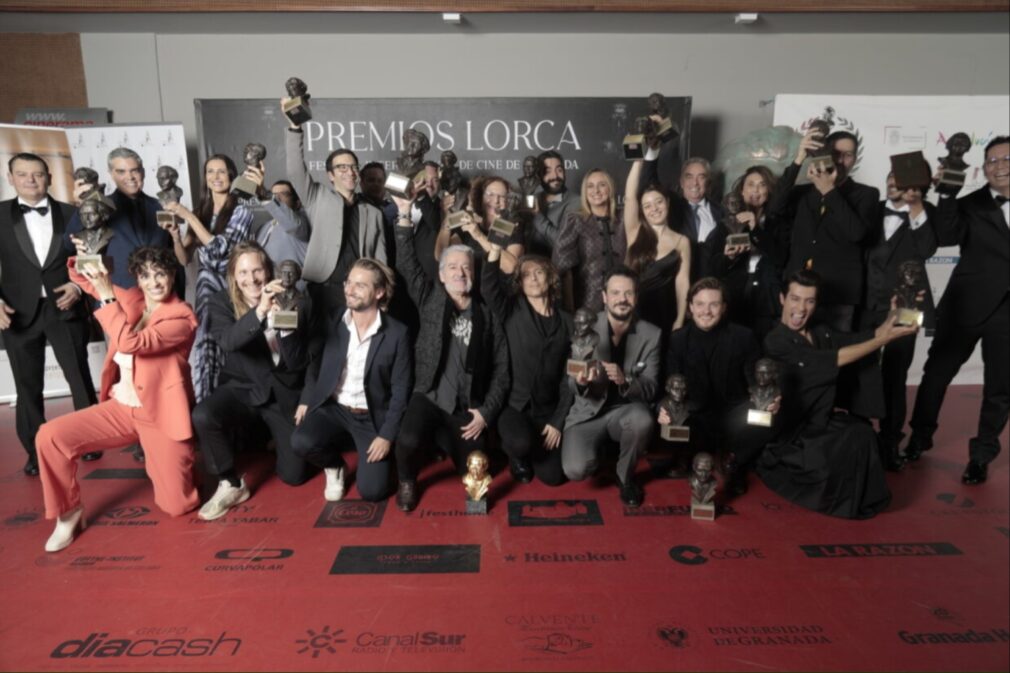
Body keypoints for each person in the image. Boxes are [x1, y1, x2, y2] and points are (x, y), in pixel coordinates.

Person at [35, 246, 200, 552]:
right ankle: (68, 514)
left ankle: (172, 461)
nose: (154, 282)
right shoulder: (134, 300)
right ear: (138, 278)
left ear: (172, 275)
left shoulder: (182, 316)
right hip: (121, 407)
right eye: (146, 275)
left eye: (161, 274)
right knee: (50, 436)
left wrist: (107, 296)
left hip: (159, 417)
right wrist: (88, 253)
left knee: (177, 504)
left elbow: (130, 342)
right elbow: (80, 276)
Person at [758, 269, 917, 519]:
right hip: (792, 433)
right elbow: (832, 359)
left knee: (863, 434)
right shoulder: (775, 341)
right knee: (842, 448)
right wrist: (881, 340)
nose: (801, 308)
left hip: (822, 421)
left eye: (809, 301)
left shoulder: (821, 331)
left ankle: (858, 500)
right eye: (795, 299)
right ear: (782, 299)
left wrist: (889, 322)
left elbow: (856, 339)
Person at [907, 136, 1010, 485]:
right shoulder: (970, 204)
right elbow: (947, 235)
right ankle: (918, 439)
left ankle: (981, 456)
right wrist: (947, 193)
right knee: (936, 374)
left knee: (1000, 388)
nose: (1000, 165)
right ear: (984, 169)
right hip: (965, 302)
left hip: (1008, 313)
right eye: (993, 160)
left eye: (1006, 158)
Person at [393, 207, 510, 512]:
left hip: (466, 407)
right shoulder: (430, 299)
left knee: (477, 464)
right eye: (453, 267)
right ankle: (406, 480)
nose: (460, 273)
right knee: (406, 439)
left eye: (467, 268)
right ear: (442, 274)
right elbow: (406, 263)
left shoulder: (488, 315)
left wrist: (486, 412)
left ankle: (448, 442)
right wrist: (404, 216)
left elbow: (501, 370)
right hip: (428, 397)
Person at [191, 242, 313, 520]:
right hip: (242, 388)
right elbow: (229, 342)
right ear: (233, 275)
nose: (252, 279)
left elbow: (306, 354)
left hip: (282, 393)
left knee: (295, 475)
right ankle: (229, 482)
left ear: (268, 270)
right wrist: (259, 311)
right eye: (243, 272)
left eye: (257, 270)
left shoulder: (294, 298)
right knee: (203, 414)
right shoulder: (220, 301)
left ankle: (269, 438)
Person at [1, 153, 99, 475]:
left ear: (49, 177)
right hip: (17, 311)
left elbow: (94, 256)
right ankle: (36, 450)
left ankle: (88, 440)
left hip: (64, 306)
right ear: (10, 177)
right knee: (27, 386)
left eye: (38, 174)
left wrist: (79, 287)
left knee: (79, 378)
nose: (31, 180)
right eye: (23, 174)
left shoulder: (74, 214)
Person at [290, 258, 412, 503]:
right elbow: (313, 362)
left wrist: (387, 435)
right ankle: (335, 466)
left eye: (360, 285)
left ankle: (372, 457)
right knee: (300, 441)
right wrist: (307, 398)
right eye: (349, 282)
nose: (350, 289)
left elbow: (402, 389)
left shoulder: (398, 333)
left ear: (379, 292)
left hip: (371, 416)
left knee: (373, 492)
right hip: (334, 407)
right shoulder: (333, 321)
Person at [659, 278, 772, 494]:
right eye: (700, 304)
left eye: (714, 304)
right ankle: (685, 456)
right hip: (695, 413)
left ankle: (733, 461)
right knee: (669, 411)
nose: (706, 311)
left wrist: (767, 401)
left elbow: (755, 382)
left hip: (732, 412)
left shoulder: (744, 336)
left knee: (766, 414)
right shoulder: (678, 340)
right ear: (690, 307)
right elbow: (670, 384)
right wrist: (665, 411)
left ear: (724, 307)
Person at [161, 154, 259, 403]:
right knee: (206, 348)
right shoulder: (201, 211)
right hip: (206, 288)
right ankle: (206, 405)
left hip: (232, 288)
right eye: (210, 172)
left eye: (221, 171)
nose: (215, 177)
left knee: (234, 346)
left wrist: (188, 216)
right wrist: (175, 235)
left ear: (232, 175)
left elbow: (220, 249)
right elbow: (184, 259)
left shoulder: (242, 210)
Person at [561, 267, 659, 507]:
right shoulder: (584, 329)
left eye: (628, 293)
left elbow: (651, 387)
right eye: (615, 293)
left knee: (643, 419)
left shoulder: (652, 334)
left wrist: (625, 380)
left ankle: (624, 476)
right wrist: (581, 383)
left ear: (636, 297)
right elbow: (570, 379)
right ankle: (601, 452)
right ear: (604, 297)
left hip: (624, 412)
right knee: (575, 470)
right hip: (588, 413)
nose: (622, 299)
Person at [860, 171, 938, 470]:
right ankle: (863, 438)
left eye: (901, 181)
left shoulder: (925, 214)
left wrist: (916, 206)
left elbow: (929, 249)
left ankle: (890, 441)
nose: (894, 185)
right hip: (866, 305)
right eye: (891, 180)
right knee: (863, 373)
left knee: (895, 378)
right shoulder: (872, 209)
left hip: (905, 308)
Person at [282, 97, 386, 318]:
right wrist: (294, 126)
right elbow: (295, 170)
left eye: (353, 167)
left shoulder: (373, 213)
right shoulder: (317, 196)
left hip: (361, 293)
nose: (349, 171)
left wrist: (383, 297)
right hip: (324, 289)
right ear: (330, 175)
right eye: (342, 167)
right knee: (323, 350)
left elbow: (380, 259)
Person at [482, 244, 574, 486]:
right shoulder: (511, 310)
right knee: (520, 443)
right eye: (526, 274)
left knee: (554, 478)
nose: (533, 278)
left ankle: (532, 447)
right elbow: (489, 288)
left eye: (539, 272)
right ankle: (516, 454)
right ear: (519, 283)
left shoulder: (568, 322)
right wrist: (493, 251)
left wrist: (558, 420)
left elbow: (569, 377)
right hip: (514, 407)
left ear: (551, 278)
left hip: (548, 410)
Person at [773, 129, 877, 332]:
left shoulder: (867, 194)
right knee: (790, 352)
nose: (840, 160)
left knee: (832, 356)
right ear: (826, 153)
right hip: (797, 290)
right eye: (836, 153)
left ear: (855, 159)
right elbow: (774, 208)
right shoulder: (802, 193)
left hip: (838, 295)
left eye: (848, 155)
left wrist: (829, 191)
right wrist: (799, 159)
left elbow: (857, 233)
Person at [66, 148, 176, 293]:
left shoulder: (161, 206)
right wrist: (83, 206)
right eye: (121, 171)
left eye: (135, 170)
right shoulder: (98, 207)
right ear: (111, 174)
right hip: (117, 295)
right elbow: (68, 245)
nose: (129, 177)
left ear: (143, 172)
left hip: (160, 295)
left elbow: (173, 253)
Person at [623, 152, 691, 333]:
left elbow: (682, 282)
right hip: (631, 311)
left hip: (665, 313)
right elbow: (630, 197)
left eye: (658, 202)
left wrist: (680, 318)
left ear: (667, 202)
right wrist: (639, 158)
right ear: (642, 210)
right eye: (647, 205)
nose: (654, 209)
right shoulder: (635, 231)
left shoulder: (681, 241)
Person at [722, 166, 791, 341]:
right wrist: (728, 257)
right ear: (742, 191)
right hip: (735, 295)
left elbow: (780, 257)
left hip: (768, 297)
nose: (756, 190)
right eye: (751, 184)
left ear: (769, 191)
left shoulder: (779, 221)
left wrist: (755, 228)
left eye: (762, 185)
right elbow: (714, 263)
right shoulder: (727, 221)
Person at [552, 169, 626, 313]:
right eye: (590, 186)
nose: (596, 190)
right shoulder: (575, 220)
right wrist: (570, 308)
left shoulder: (624, 217)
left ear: (610, 188)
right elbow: (561, 267)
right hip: (589, 303)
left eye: (602, 185)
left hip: (624, 300)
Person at [434, 175, 525, 284]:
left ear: (508, 201)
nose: (496, 200)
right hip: (470, 292)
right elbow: (442, 257)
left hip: (499, 294)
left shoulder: (513, 228)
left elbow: (511, 267)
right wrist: (447, 223)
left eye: (502, 196)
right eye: (490, 194)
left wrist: (478, 235)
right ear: (480, 198)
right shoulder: (470, 226)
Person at [526, 150, 581, 257]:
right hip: (528, 266)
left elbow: (564, 242)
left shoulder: (576, 201)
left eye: (559, 170)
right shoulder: (533, 198)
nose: (555, 176)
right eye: (547, 171)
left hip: (557, 269)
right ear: (539, 176)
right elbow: (524, 233)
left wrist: (537, 215)